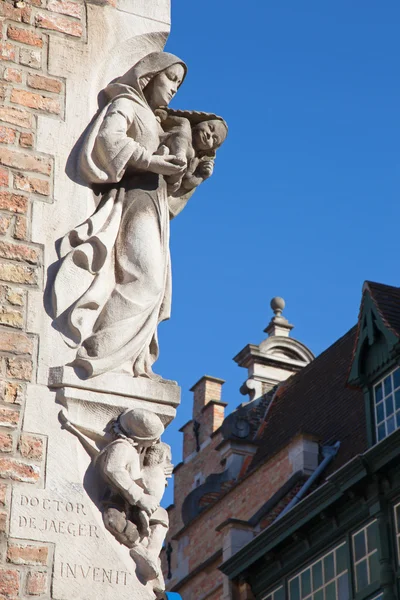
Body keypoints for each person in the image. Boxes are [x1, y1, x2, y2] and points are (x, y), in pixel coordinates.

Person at [52, 52, 206, 379]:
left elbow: (172, 190)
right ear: (148, 76)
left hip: (154, 204)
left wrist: (190, 177)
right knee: (144, 280)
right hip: (134, 200)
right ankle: (99, 357)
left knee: (155, 286)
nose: (175, 89)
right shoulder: (126, 104)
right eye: (171, 79)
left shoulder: (156, 121)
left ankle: (131, 361)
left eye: (179, 83)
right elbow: (109, 140)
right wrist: (150, 162)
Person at [96, 409, 170, 586]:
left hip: (133, 504)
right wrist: (139, 497)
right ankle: (140, 551)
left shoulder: (135, 451)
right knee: (118, 524)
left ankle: (151, 556)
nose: (157, 441)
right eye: (153, 438)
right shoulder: (122, 447)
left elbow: (138, 476)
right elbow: (113, 469)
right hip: (118, 501)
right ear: (141, 437)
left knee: (161, 518)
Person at [155, 108, 228, 194]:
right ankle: (179, 154)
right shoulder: (184, 123)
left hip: (167, 178)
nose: (209, 135)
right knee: (184, 132)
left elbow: (186, 183)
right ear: (200, 121)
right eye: (210, 127)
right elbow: (164, 116)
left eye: (214, 139)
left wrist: (201, 176)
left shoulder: (195, 158)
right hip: (160, 148)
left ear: (210, 150)